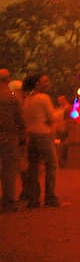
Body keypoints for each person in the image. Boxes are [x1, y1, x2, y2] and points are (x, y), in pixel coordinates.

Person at [21, 74, 59, 208]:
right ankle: (50, 197)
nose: (48, 83)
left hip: (31, 136)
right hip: (43, 134)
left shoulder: (27, 100)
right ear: (37, 84)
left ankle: (33, 199)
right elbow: (52, 117)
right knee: (51, 165)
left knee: (34, 168)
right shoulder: (43, 98)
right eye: (45, 81)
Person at [0, 69, 25, 213]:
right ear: (8, 80)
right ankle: (8, 202)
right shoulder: (12, 96)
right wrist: (23, 136)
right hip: (9, 136)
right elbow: (20, 119)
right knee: (9, 170)